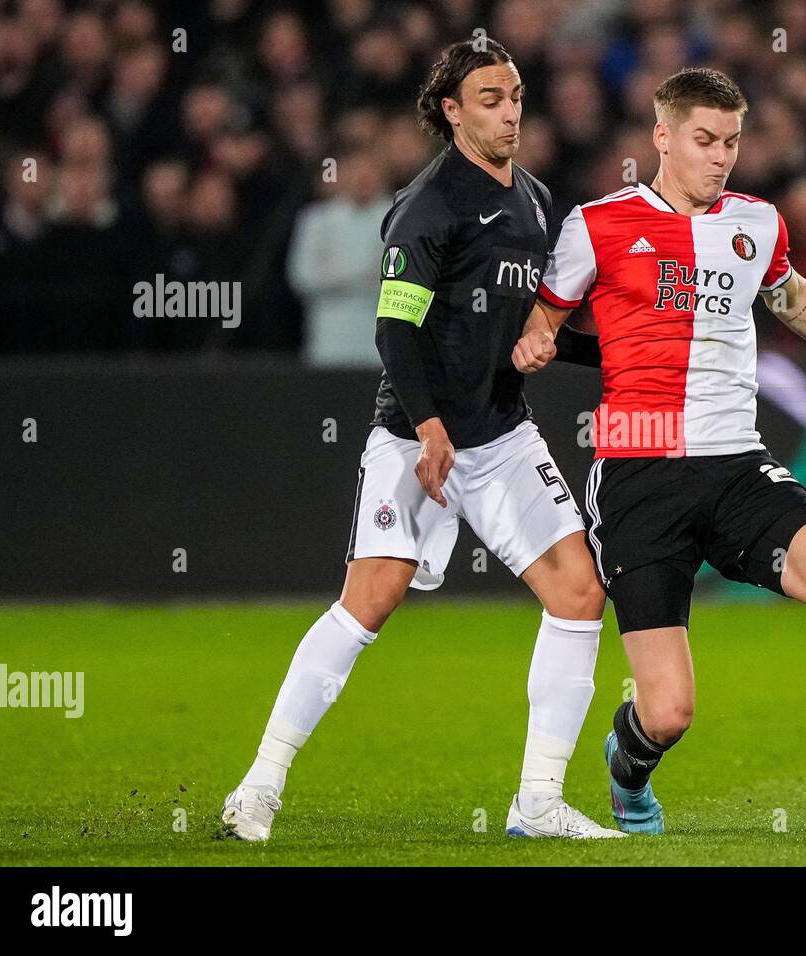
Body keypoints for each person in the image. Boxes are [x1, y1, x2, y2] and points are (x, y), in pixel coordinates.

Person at [512, 67, 806, 833]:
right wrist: (539, 337)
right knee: (670, 712)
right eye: (704, 140)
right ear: (662, 137)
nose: (720, 157)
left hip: (739, 463)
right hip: (638, 474)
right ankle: (628, 762)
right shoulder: (599, 225)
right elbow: (546, 315)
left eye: (732, 142)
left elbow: (793, 297)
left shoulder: (758, 223)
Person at [222, 38, 621, 842]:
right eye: (489, 99)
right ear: (451, 110)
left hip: (502, 435)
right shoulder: (429, 203)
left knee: (580, 593)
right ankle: (259, 785)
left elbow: (531, 324)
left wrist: (610, 352)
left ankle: (538, 803)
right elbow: (395, 330)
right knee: (369, 600)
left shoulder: (536, 201)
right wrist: (431, 428)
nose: (509, 111)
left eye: (514, 95)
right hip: (417, 436)